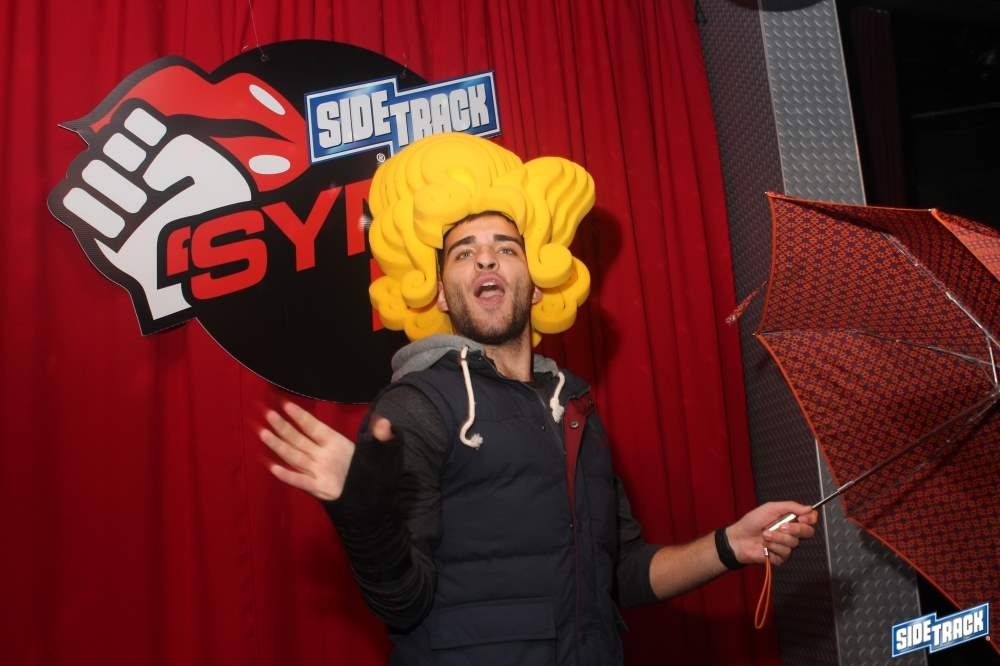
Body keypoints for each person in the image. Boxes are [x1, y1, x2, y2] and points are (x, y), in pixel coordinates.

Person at [259, 133, 817, 665]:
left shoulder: (574, 408)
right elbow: (404, 604)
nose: (486, 260)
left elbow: (621, 573)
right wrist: (364, 515)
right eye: (463, 253)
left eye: (506, 248)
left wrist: (730, 544)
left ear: (536, 279)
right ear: (440, 294)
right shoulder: (416, 406)